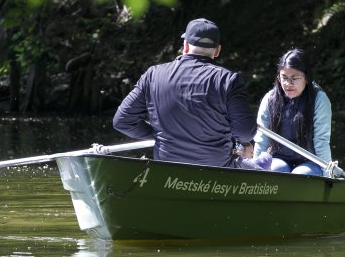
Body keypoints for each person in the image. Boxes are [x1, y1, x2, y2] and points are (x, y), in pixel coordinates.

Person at [113, 18, 257, 168]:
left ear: (186, 46)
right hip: (217, 175)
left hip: (167, 173)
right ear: (217, 51)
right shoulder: (228, 80)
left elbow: (122, 121)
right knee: (270, 167)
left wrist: (160, 133)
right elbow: (245, 133)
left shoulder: (153, 75)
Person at [252, 48, 333, 175]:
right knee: (277, 170)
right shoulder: (269, 99)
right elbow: (262, 140)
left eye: (294, 78)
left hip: (310, 162)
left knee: (300, 174)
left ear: (306, 77)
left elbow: (321, 141)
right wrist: (253, 169)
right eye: (283, 77)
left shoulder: (320, 100)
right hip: (278, 158)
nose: (288, 84)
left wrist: (328, 174)